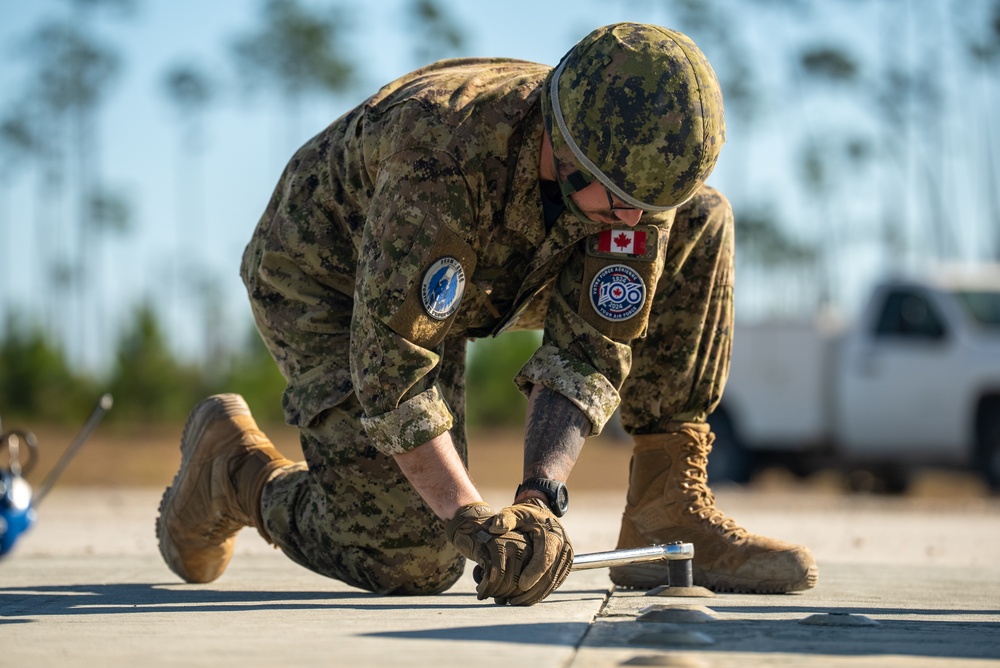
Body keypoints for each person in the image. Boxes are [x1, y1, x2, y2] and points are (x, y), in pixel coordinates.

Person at [156, 22, 817, 605]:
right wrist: (473, 521)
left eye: (646, 202)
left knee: (701, 219)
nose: (635, 219)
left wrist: (536, 501)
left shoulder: (627, 175)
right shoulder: (439, 159)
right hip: (329, 276)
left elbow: (589, 347)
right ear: (563, 146)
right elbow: (393, 376)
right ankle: (235, 475)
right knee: (416, 557)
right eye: (619, 199)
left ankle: (664, 506)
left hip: (494, 264)